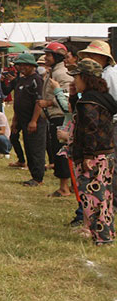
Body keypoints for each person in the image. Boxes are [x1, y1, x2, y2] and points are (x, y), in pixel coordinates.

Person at [65, 58, 117, 245]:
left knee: (92, 198)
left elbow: (90, 129)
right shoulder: (105, 98)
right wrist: (72, 96)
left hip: (92, 157)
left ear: (86, 78)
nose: (74, 81)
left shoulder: (88, 102)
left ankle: (101, 237)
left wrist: (87, 155)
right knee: (106, 197)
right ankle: (108, 234)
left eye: (77, 77)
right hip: (106, 154)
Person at [2, 53, 47, 186]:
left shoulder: (36, 80)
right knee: (27, 146)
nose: (21, 68)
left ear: (31, 66)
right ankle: (33, 174)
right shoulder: (21, 80)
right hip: (22, 119)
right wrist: (15, 120)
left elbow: (39, 102)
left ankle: (38, 178)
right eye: (19, 65)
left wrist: (34, 121)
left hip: (34, 120)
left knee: (35, 148)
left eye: (24, 65)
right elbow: (18, 101)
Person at [39, 42, 74, 197]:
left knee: (61, 153)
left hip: (61, 118)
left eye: (48, 55)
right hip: (54, 116)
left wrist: (49, 103)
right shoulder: (53, 72)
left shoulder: (62, 74)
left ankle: (64, 187)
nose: (45, 58)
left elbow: (67, 98)